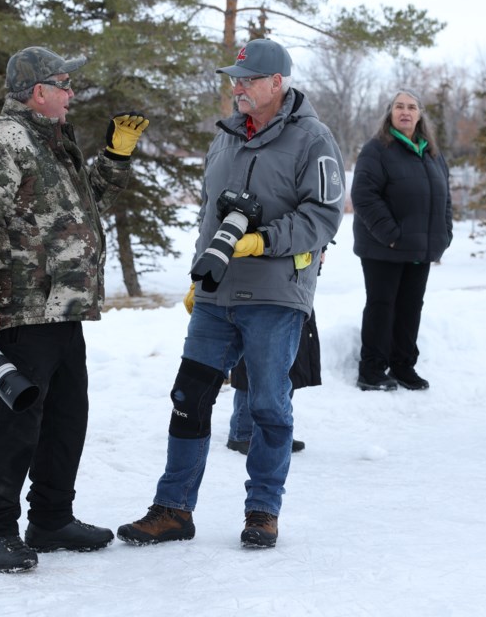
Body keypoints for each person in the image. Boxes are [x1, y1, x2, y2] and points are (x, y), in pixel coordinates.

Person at [117, 38, 345, 549]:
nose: (237, 87)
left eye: (247, 79)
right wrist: (200, 278)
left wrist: (262, 241)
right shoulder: (224, 138)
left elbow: (323, 217)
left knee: (267, 405)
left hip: (274, 295)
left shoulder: (314, 140)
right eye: (234, 79)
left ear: (277, 84)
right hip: (217, 298)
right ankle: (173, 508)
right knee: (188, 398)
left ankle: (263, 510)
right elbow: (208, 216)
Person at [0, 46, 149, 572]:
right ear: (39, 92)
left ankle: (52, 519)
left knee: (66, 418)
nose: (71, 92)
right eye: (64, 84)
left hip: (64, 307)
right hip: (21, 309)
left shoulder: (54, 141)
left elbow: (83, 206)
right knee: (14, 426)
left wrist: (117, 156)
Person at [350, 89, 452, 392]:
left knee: (410, 307)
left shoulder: (432, 153)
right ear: (390, 113)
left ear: (420, 114)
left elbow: (444, 199)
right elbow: (364, 197)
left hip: (419, 247)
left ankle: (404, 366)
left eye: (411, 107)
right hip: (384, 247)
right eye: (399, 107)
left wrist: (444, 234)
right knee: (382, 306)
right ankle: (371, 370)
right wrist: (391, 236)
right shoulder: (376, 150)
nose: (405, 112)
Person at [225, 308, 319, 455]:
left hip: (294, 301)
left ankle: (275, 434)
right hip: (261, 304)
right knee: (253, 370)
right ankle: (241, 435)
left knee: (286, 371)